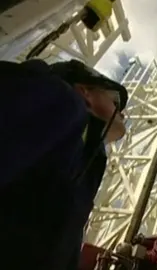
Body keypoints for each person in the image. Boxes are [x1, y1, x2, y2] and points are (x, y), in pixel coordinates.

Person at [0, 59, 129, 269]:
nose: (123, 114)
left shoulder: (89, 160)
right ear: (85, 92)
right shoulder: (62, 102)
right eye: (116, 102)